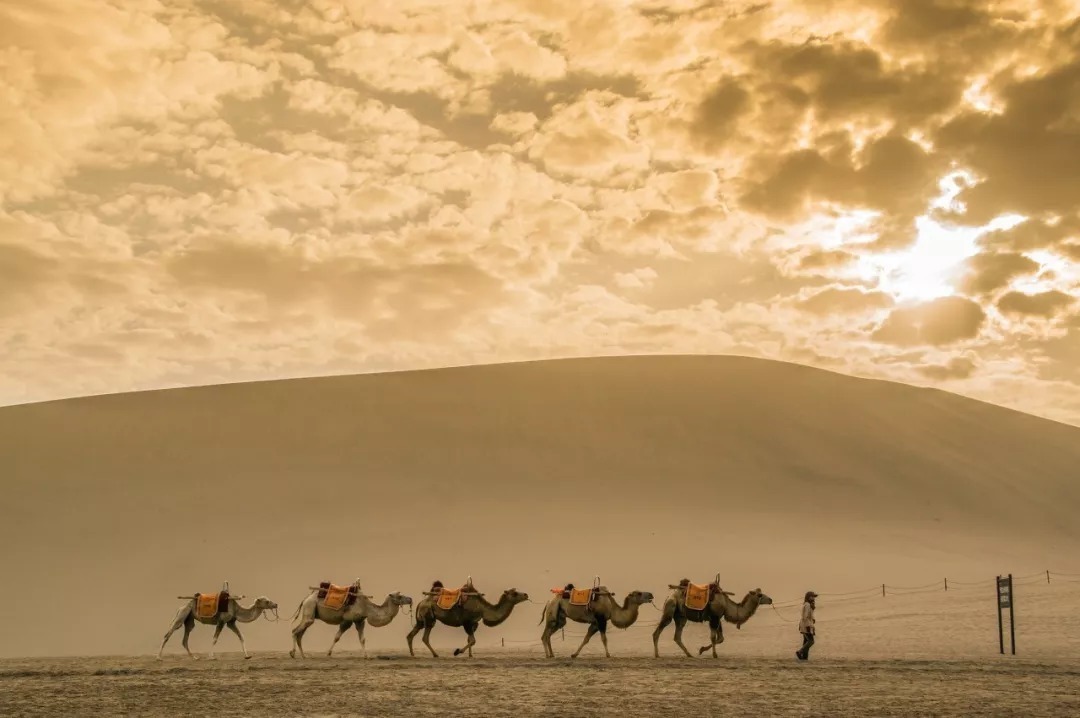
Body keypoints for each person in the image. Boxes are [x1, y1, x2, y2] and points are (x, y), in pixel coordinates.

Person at [796, 591, 817, 660]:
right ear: (808, 597)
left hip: (804, 625)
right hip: (806, 625)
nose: (814, 598)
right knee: (811, 641)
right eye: (812, 597)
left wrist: (812, 618)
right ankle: (800, 652)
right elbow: (805, 616)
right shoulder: (808, 605)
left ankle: (804, 658)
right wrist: (811, 620)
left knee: (806, 641)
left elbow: (806, 615)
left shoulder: (807, 604)